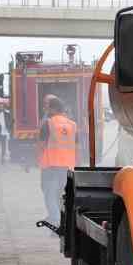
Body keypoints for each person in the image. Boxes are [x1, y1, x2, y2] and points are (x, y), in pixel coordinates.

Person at [38, 96, 78, 225]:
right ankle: (61, 220)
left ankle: (56, 222)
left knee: (49, 194)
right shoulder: (73, 124)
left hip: (51, 165)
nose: (47, 110)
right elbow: (77, 147)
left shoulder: (48, 123)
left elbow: (41, 145)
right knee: (60, 195)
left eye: (48, 107)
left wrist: (36, 160)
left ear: (53, 108)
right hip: (67, 167)